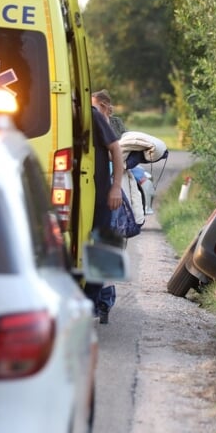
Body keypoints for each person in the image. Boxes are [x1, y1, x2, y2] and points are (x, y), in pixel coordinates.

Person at [87, 89, 125, 323]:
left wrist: (115, 187)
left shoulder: (93, 116)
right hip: (81, 195)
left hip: (101, 195)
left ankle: (96, 302)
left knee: (100, 247)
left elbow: (116, 149)